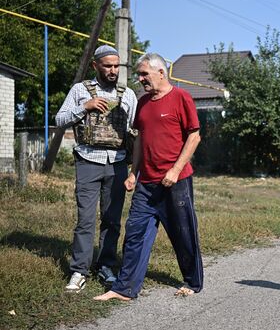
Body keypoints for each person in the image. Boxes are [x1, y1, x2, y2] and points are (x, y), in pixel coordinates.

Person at [94, 53, 203, 301]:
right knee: (135, 233)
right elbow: (141, 139)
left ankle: (192, 281)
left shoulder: (181, 98)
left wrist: (175, 170)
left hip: (176, 182)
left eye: (144, 74)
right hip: (146, 183)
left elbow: (194, 136)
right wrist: (134, 173)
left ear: (161, 73)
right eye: (139, 74)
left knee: (182, 233)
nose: (140, 78)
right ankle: (125, 288)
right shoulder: (143, 103)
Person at [56, 45, 137, 292]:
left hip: (118, 163)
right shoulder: (80, 90)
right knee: (85, 220)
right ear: (96, 66)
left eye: (116, 66)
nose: (113, 71)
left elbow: (136, 129)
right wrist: (85, 107)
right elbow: (59, 120)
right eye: (108, 66)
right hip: (88, 161)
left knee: (112, 221)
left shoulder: (128, 95)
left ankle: (106, 266)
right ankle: (79, 270)